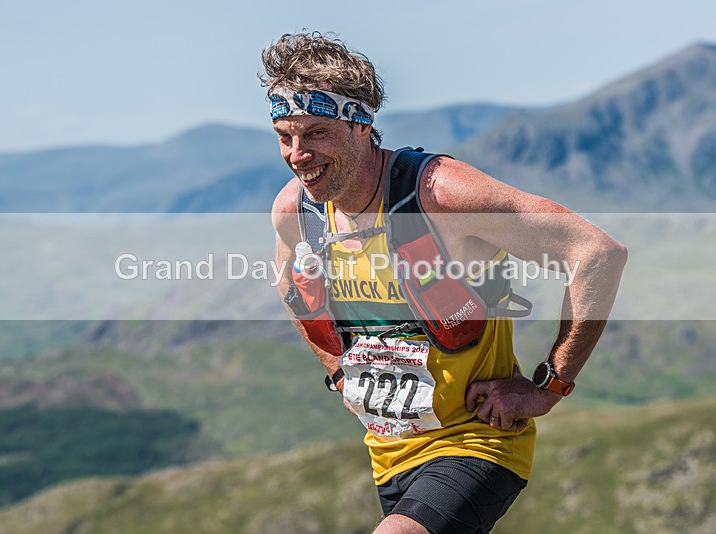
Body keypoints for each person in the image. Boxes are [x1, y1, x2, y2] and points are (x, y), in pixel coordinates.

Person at [263, 32, 627, 534]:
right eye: (286, 136)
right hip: (389, 451)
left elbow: (596, 253)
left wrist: (550, 384)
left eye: (317, 133)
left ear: (362, 126)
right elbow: (290, 285)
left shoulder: (440, 195)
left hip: (477, 442)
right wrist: (338, 373)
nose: (298, 154)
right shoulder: (297, 209)